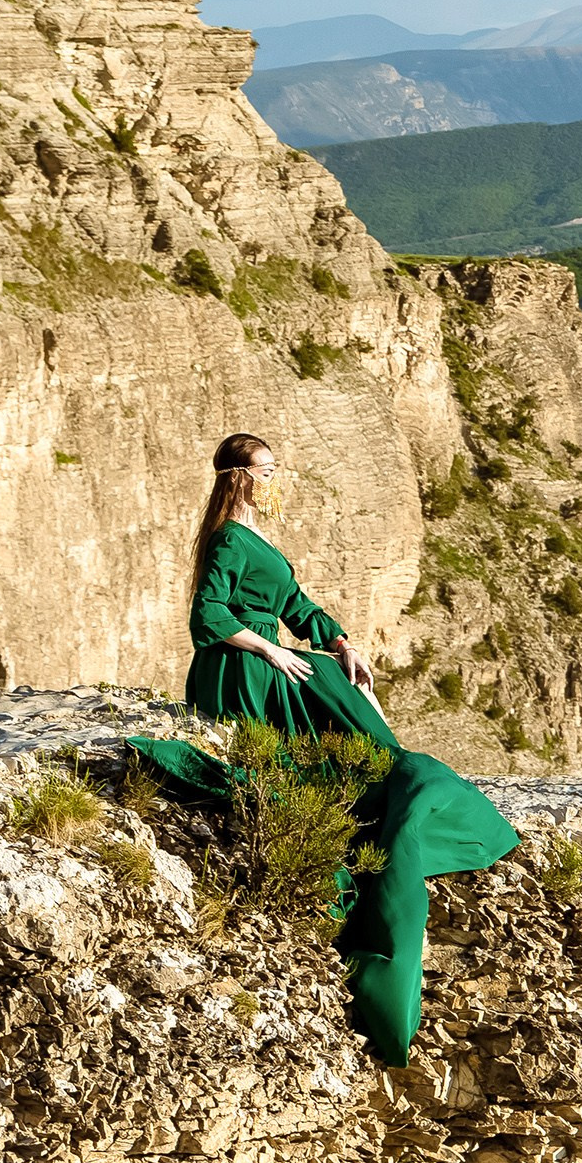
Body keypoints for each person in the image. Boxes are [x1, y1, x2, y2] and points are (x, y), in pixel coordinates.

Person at [150, 431, 518, 1065]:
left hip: (273, 658)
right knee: (330, 723)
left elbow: (293, 603)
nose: (276, 478)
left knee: (339, 685)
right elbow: (206, 618)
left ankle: (386, 796)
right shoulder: (228, 541)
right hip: (242, 669)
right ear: (242, 477)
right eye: (267, 470)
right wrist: (269, 648)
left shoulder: (255, 536)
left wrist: (341, 640)